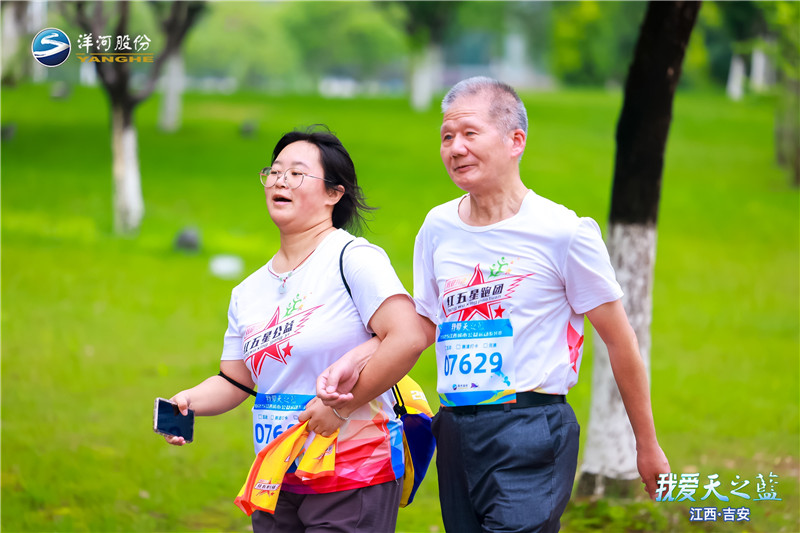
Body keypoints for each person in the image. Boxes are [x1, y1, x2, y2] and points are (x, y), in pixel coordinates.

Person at [317, 77, 671, 532]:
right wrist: (357, 359)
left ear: (515, 141)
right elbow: (424, 325)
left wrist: (646, 443)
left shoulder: (563, 231)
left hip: (531, 427)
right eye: (447, 137)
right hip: (458, 429)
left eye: (469, 134)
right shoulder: (438, 226)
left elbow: (621, 342)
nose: (455, 148)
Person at [162, 126, 427, 533]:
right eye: (274, 171)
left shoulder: (353, 259)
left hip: (351, 473)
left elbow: (407, 337)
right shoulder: (248, 290)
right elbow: (236, 382)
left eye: (297, 173)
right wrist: (189, 401)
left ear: (333, 193)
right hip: (277, 476)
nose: (280, 180)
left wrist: (339, 406)